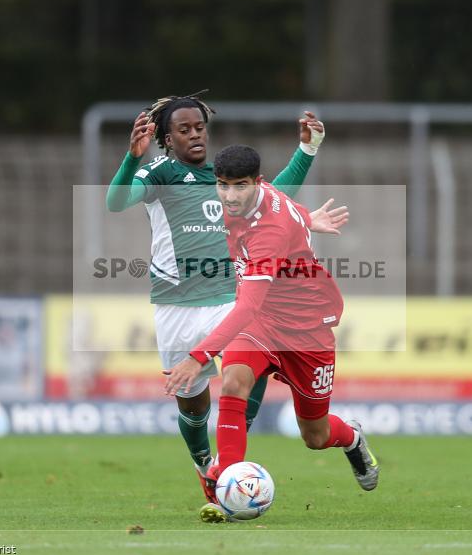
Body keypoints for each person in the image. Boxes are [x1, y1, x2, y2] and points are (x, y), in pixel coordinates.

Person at [106, 91, 326, 504]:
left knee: (248, 373)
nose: (195, 136)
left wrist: (307, 150)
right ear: (166, 139)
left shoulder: (224, 178)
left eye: (200, 128)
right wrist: (132, 158)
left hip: (229, 298)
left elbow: (275, 197)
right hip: (175, 306)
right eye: (184, 130)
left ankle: (225, 468)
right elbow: (115, 202)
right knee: (191, 406)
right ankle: (204, 463)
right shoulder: (158, 173)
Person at [163, 144, 379, 523]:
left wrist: (198, 356)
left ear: (256, 183)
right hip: (263, 322)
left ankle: (353, 439)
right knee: (232, 384)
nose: (230, 196)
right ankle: (226, 492)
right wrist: (308, 220)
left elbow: (245, 306)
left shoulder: (269, 233)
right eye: (224, 185)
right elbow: (287, 205)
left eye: (240, 187)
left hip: (306, 329)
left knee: (314, 434)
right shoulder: (258, 201)